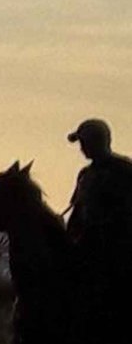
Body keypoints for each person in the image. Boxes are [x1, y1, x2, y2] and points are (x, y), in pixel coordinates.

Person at [67, 118, 132, 324]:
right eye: (81, 144)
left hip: (117, 250)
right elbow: (76, 211)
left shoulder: (124, 170)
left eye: (85, 142)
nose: (82, 148)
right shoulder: (85, 175)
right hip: (85, 247)